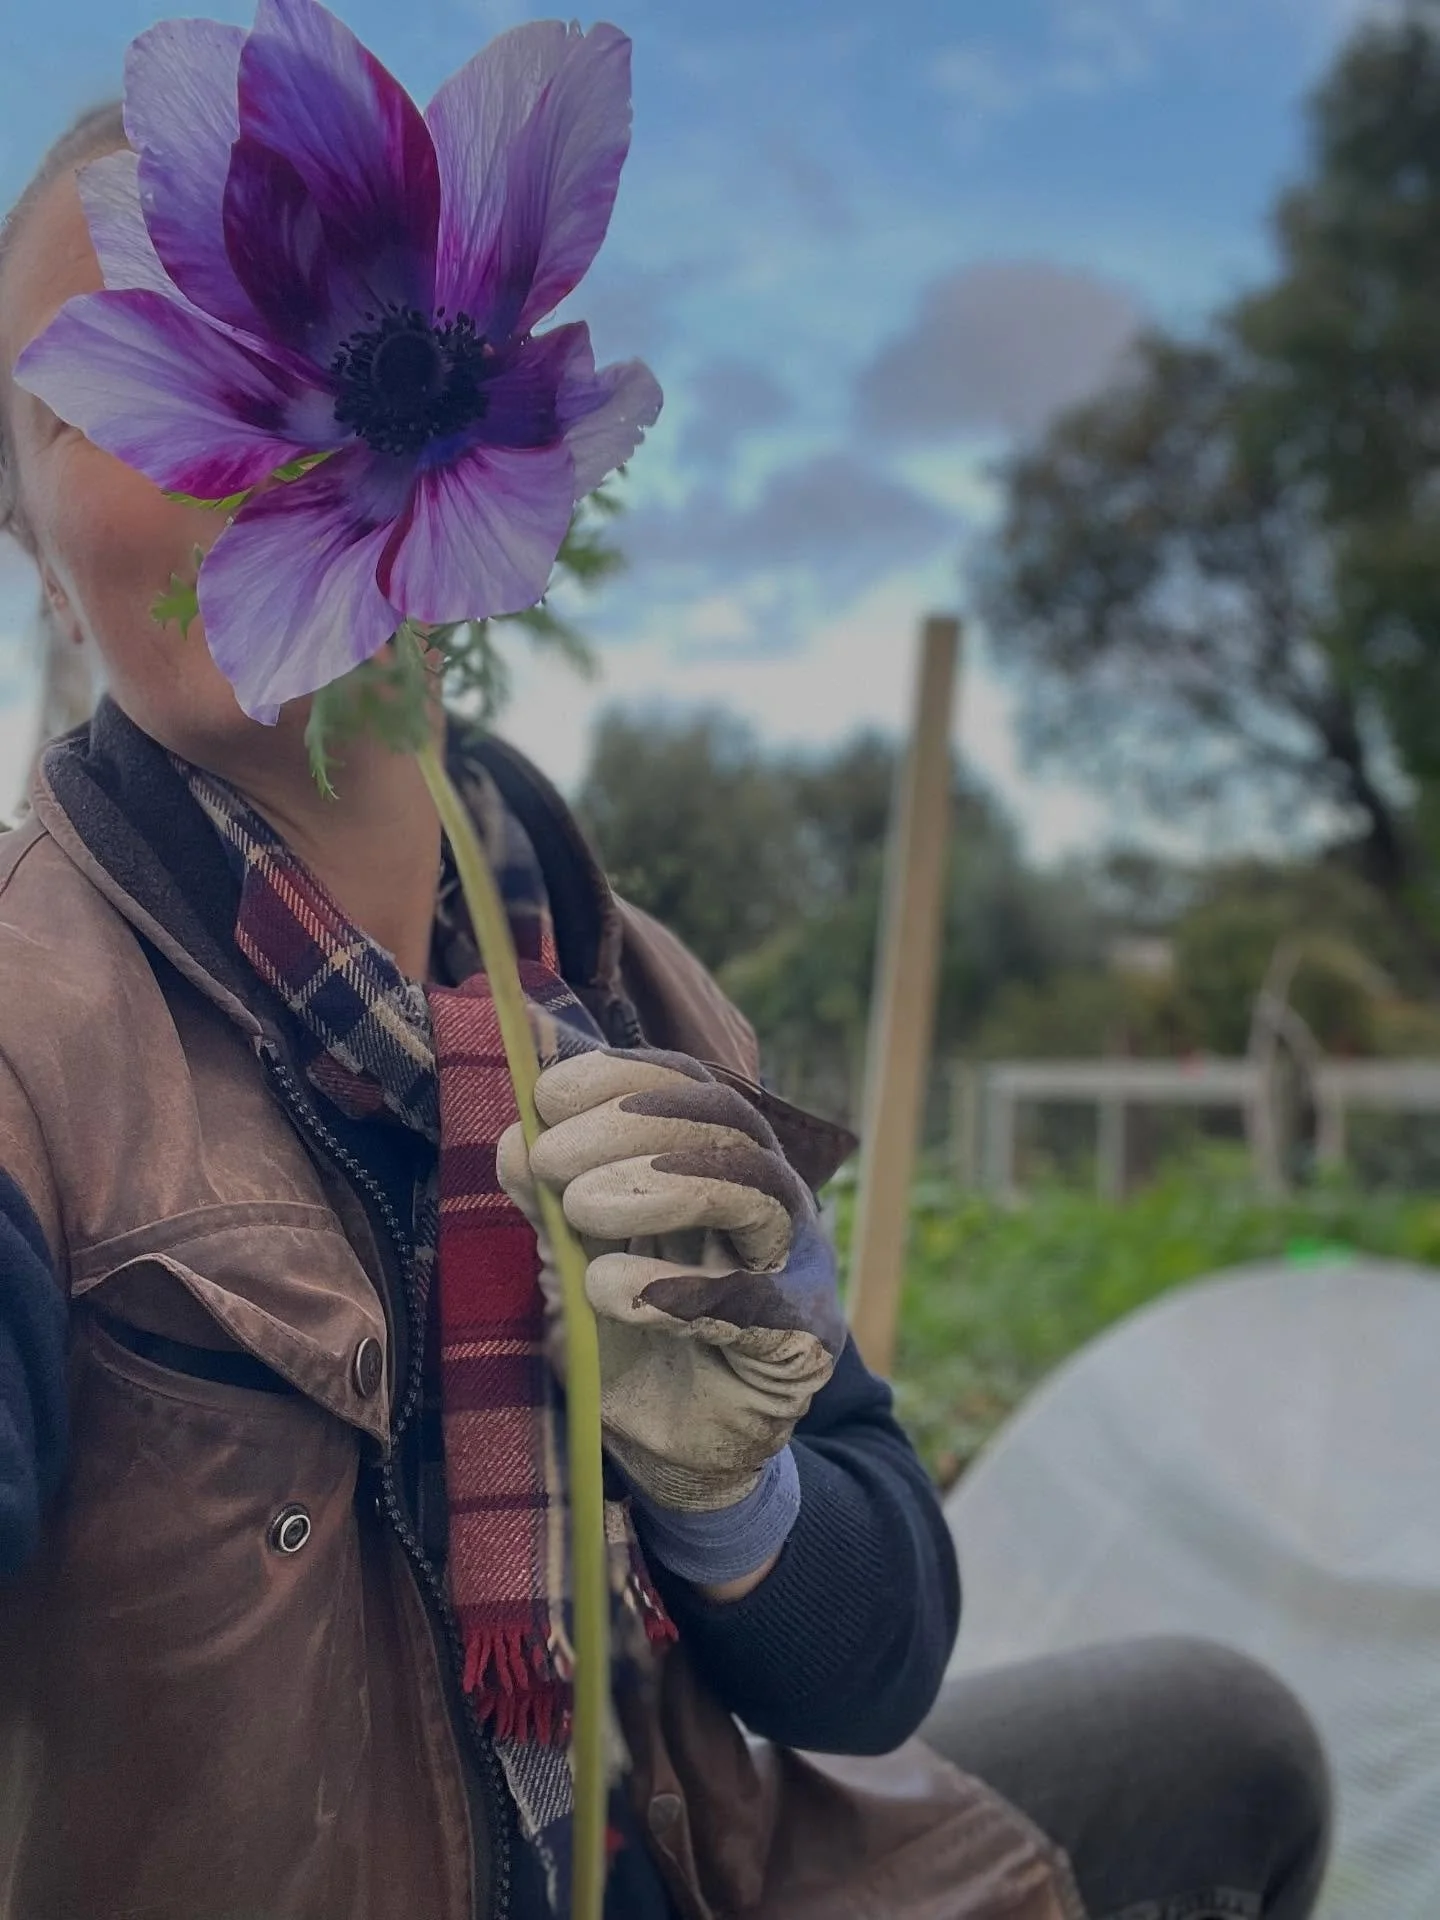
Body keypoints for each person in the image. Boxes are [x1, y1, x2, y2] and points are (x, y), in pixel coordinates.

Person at [0, 104, 1332, 1920]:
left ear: (470, 381)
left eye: (296, 344)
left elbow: (875, 1672)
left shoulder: (633, 993)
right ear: (26, 529)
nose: (242, 441)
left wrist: (738, 1497)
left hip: (695, 1863)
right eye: (115, 389)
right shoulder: (29, 1036)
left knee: (1229, 1743)